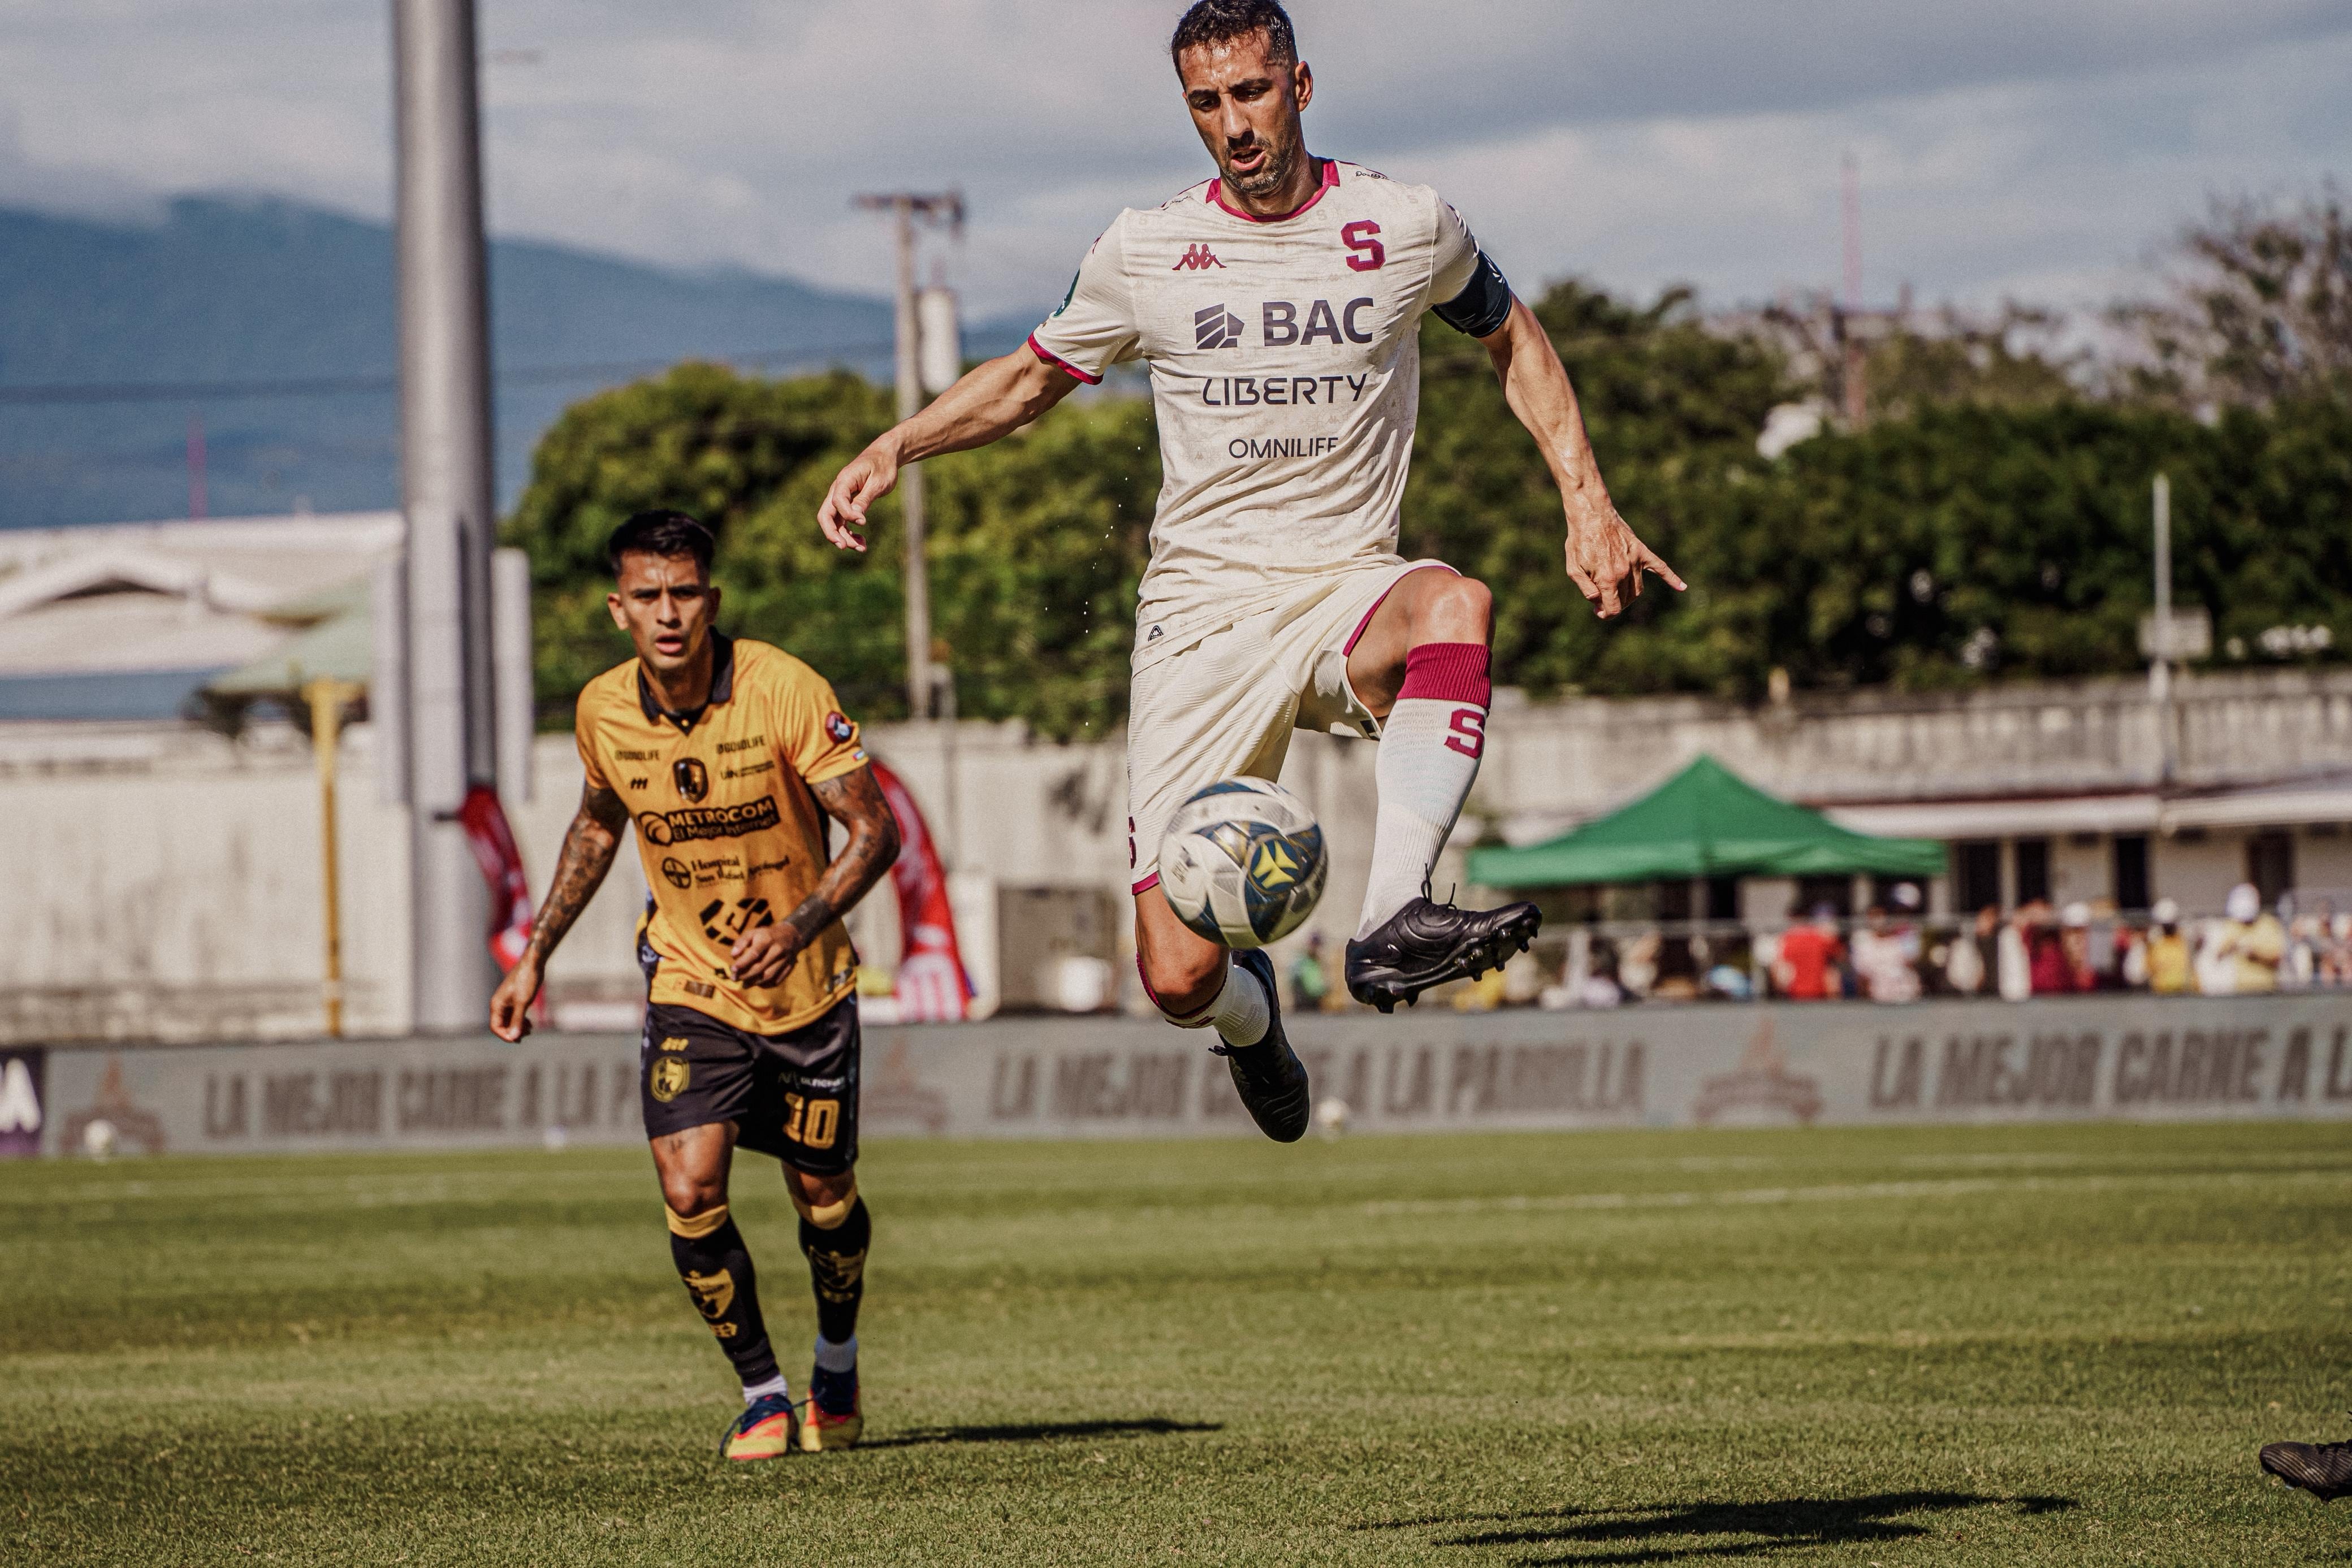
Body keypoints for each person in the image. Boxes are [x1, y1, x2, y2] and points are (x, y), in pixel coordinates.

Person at [814, 1, 1677, 1140]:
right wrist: (896, 443)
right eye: (1207, 104)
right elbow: (1029, 378)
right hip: (1199, 618)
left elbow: (1511, 335)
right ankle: (1249, 1019)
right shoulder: (1146, 247)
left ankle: (1390, 920)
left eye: (1253, 93)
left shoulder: (1406, 224)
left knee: (1456, 600)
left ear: (1301, 86)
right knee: (1173, 975)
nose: (1234, 124)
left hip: (1344, 587)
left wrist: (1588, 498)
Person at [488, 511, 901, 1462]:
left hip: (806, 990)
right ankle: (762, 1393)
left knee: (824, 1197)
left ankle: (834, 1360)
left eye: (684, 593)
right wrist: (533, 954)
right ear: (619, 608)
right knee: (690, 1185)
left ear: (710, 600)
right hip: (689, 981)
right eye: (648, 595)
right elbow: (596, 828)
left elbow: (874, 831)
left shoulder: (784, 688)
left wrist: (796, 926)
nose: (668, 613)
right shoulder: (601, 710)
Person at [2212, 882, 2287, 994]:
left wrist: (2256, 955)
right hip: (2242, 991)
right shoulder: (2232, 925)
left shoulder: (2268, 924)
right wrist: (2231, 946)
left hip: (2267, 990)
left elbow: (2278, 958)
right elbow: (2217, 955)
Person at [1773, 906, 1844, 1001]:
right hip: (1819, 992)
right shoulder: (1821, 937)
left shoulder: (1786, 940)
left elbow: (1779, 970)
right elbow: (1840, 956)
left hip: (1796, 993)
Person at [2145, 898, 2194, 994]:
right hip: (2162, 993)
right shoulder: (2155, 941)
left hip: (2185, 991)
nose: (2168, 927)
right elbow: (2148, 968)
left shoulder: (2185, 937)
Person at [1287, 933, 1330, 1012]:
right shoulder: (1301, 961)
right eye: (1314, 945)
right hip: (1303, 1004)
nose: (1316, 948)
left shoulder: (1317, 962)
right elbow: (1299, 982)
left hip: (1315, 1003)